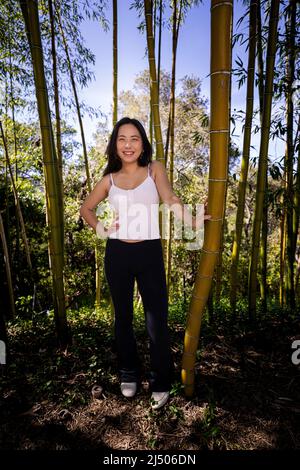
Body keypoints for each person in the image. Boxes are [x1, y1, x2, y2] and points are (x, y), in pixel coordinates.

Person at [80, 117, 210, 410]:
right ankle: (128, 373)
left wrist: (192, 220)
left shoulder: (155, 170)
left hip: (149, 254)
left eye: (134, 138)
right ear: (115, 144)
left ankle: (160, 380)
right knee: (123, 319)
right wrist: (102, 228)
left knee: (156, 322)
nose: (128, 145)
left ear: (143, 143)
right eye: (122, 139)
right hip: (117, 255)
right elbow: (85, 208)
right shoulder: (108, 180)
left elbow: (170, 198)